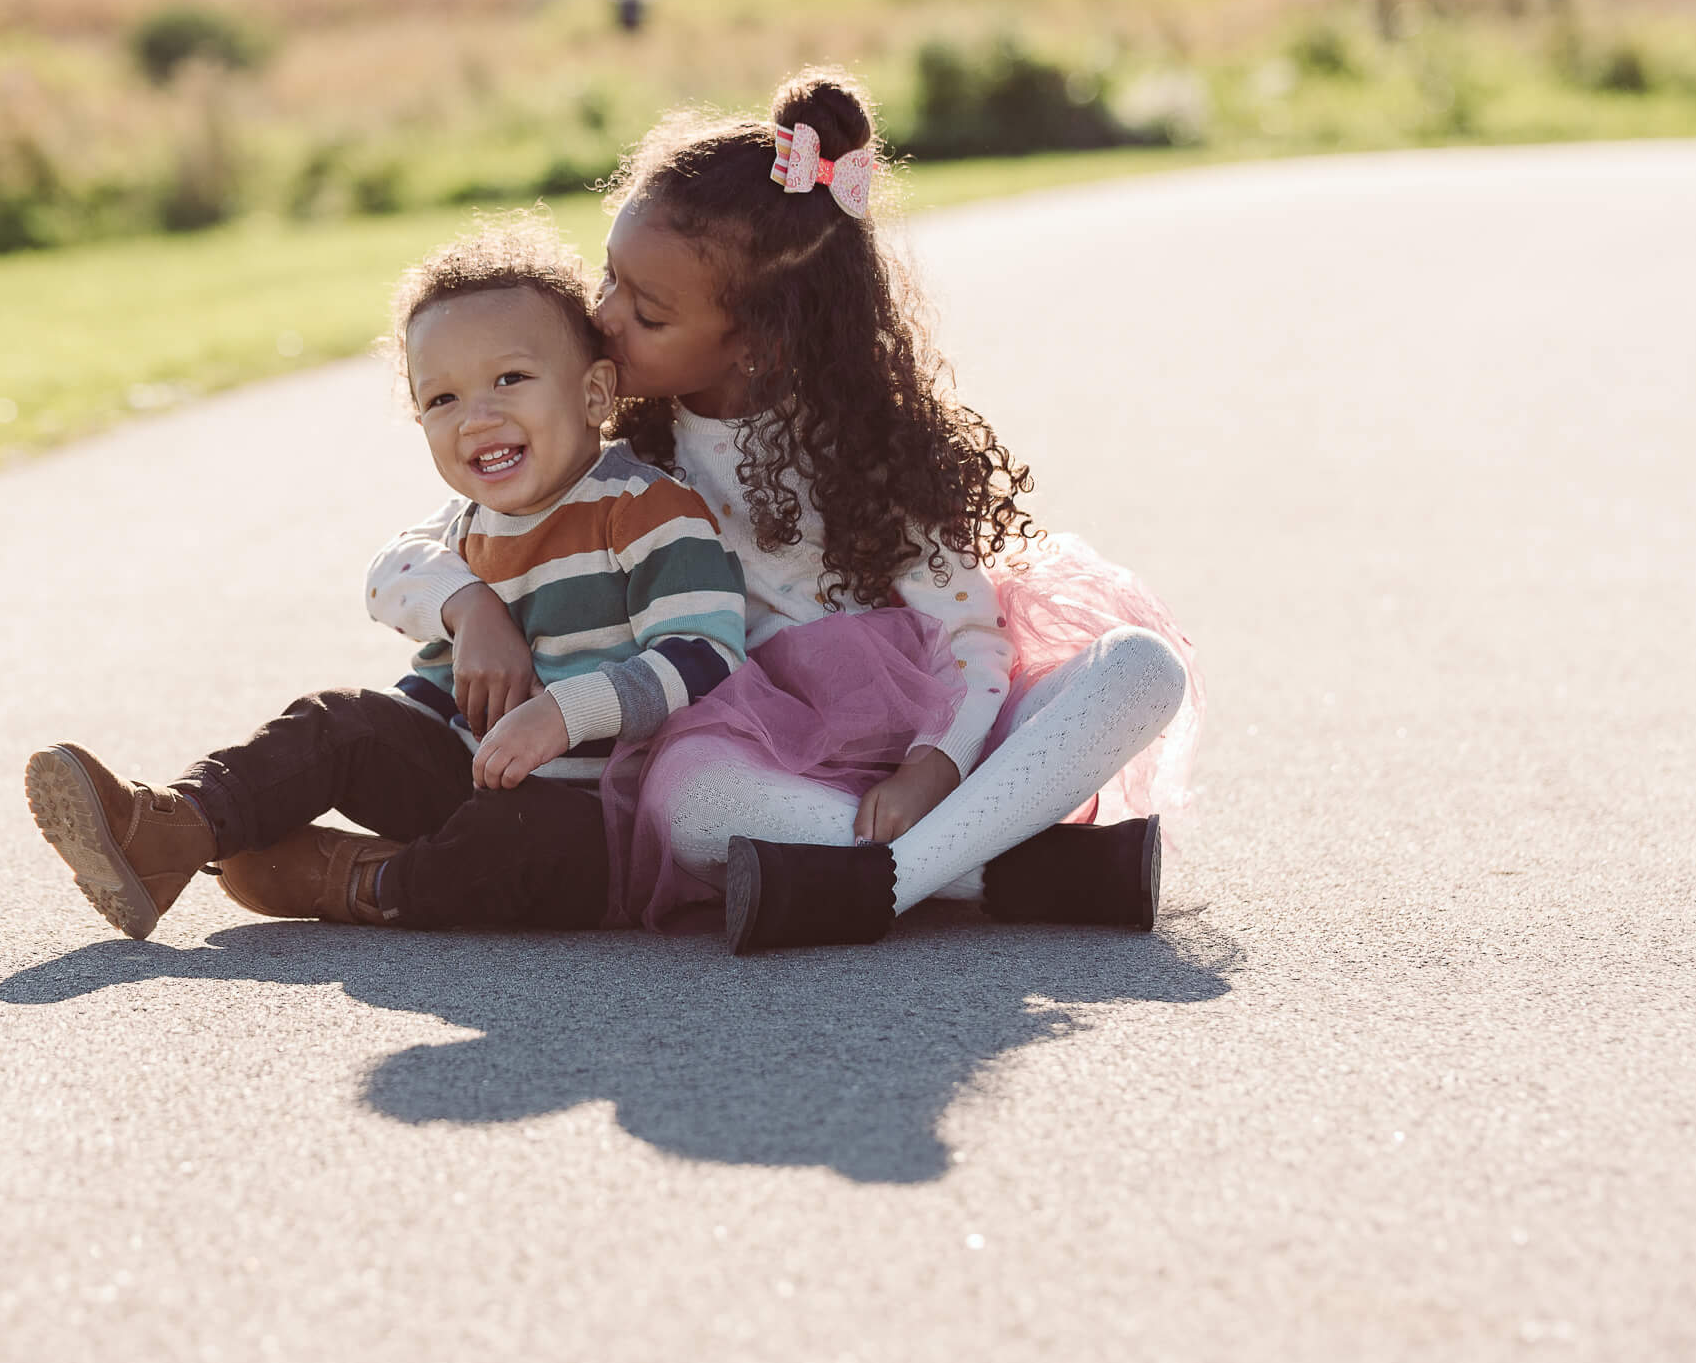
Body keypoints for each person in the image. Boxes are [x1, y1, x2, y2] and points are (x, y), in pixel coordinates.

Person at [367, 71, 1202, 953]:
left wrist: (933, 766)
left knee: (1142, 668)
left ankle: (881, 885)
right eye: (609, 279)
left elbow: (972, 639)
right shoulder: (627, 458)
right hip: (765, 748)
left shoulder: (869, 449)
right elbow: (434, 540)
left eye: (645, 313)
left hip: (937, 730)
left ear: (758, 341)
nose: (602, 318)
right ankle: (1001, 869)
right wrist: (472, 606)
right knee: (690, 806)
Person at [24, 216, 747, 940]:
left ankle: (360, 879)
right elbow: (388, 572)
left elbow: (706, 656)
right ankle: (174, 827)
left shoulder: (644, 508)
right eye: (443, 399)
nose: (478, 417)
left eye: (511, 378)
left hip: (592, 813)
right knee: (336, 718)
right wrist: (470, 608)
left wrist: (565, 712)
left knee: (518, 844)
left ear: (594, 395)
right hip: (462, 768)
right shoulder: (467, 522)